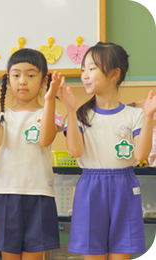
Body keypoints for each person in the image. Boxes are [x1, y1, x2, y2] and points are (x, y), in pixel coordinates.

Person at [61, 42, 156, 260]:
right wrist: (70, 110)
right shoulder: (80, 115)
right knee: (92, 253)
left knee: (121, 253)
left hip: (125, 185)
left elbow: (141, 156)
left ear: (114, 74)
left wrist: (149, 116)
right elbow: (75, 151)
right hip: (90, 186)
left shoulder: (135, 115)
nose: (85, 75)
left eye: (91, 69)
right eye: (83, 69)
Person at [0, 48, 63, 260]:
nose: (22, 81)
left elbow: (45, 140)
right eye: (16, 75)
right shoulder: (2, 115)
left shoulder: (52, 113)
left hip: (39, 194)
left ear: (44, 81)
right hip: (6, 194)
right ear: (8, 79)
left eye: (31, 75)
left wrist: (50, 100)